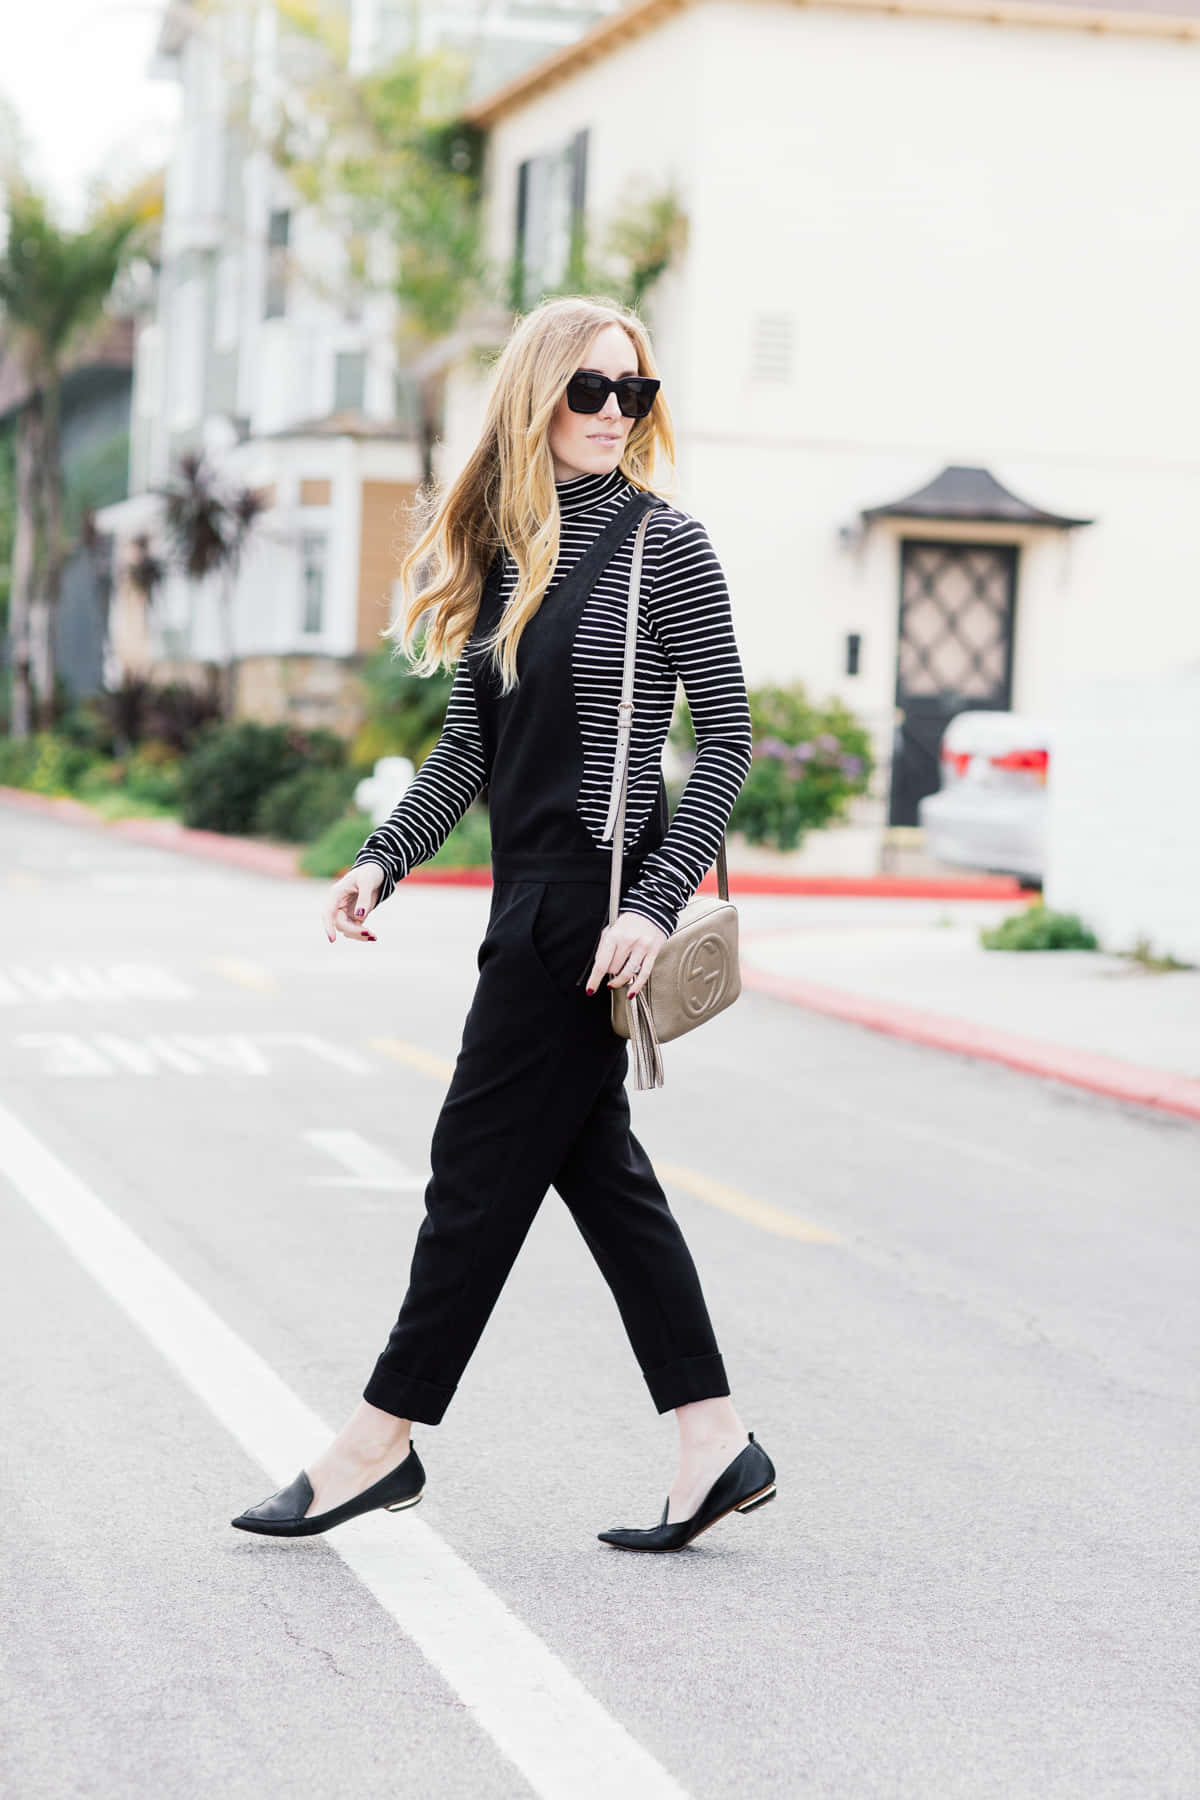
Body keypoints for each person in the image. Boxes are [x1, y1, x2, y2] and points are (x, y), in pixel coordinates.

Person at [231, 294, 777, 1552]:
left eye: (632, 393)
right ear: (536, 396)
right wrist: (385, 858)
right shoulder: (506, 560)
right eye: (589, 389)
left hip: (592, 915)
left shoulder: (663, 547)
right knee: (600, 1179)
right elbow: (468, 751)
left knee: (471, 1182)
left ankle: (377, 1444)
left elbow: (728, 741)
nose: (612, 414)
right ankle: (712, 1441)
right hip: (523, 905)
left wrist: (651, 904)